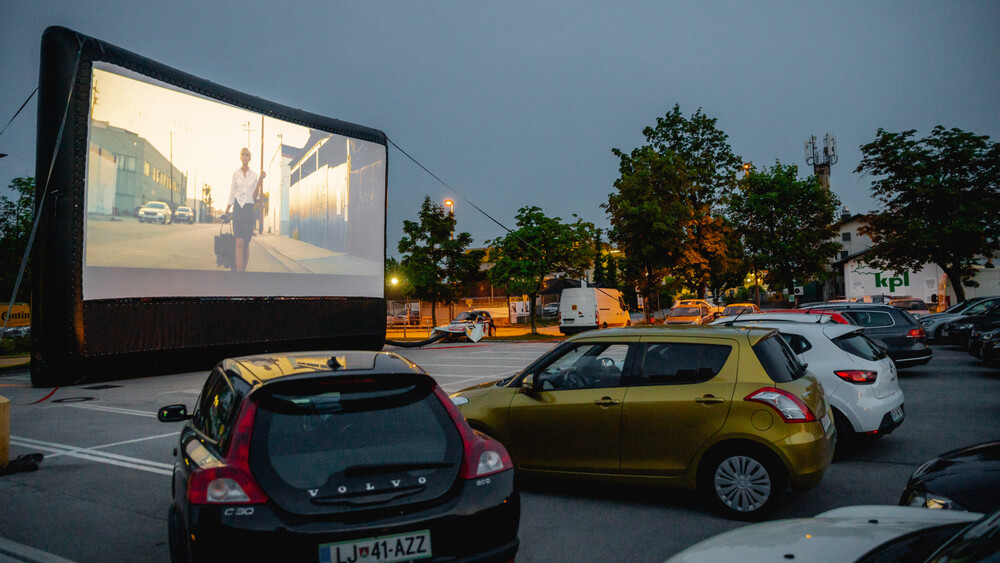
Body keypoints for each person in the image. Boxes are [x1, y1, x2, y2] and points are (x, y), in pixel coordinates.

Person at [225, 148, 265, 272]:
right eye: (243, 154)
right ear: (240, 157)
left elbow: (254, 196)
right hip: (238, 208)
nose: (245, 156)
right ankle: (239, 272)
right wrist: (226, 211)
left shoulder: (254, 175)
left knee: (246, 243)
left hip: (248, 209)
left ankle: (243, 271)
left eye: (247, 154)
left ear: (250, 157)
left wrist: (259, 180)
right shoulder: (235, 174)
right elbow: (232, 193)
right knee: (238, 241)